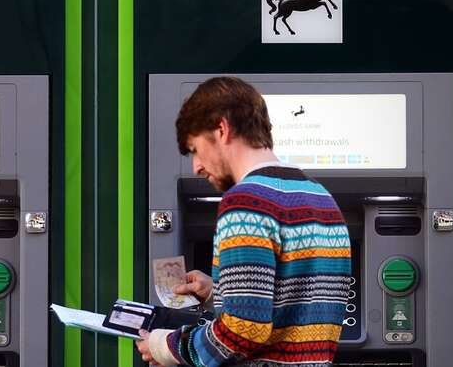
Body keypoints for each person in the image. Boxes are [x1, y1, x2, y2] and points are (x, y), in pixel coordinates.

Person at [136, 77, 351, 367]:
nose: (196, 166)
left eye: (196, 149)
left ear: (221, 129)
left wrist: (165, 346)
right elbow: (289, 304)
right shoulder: (321, 198)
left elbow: (243, 332)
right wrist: (219, 293)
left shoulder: (245, 201)